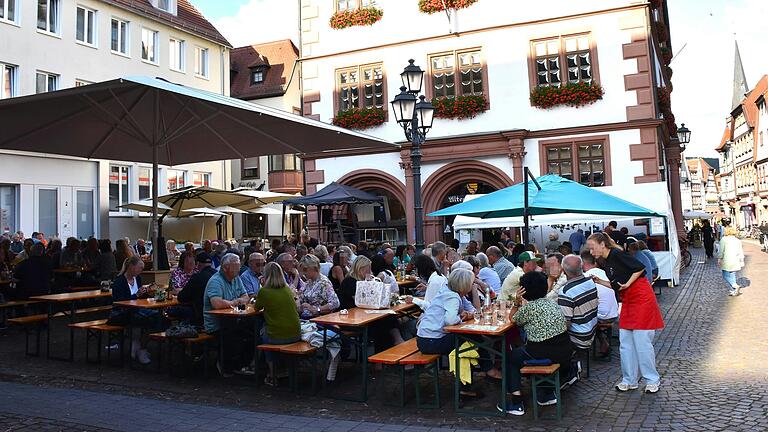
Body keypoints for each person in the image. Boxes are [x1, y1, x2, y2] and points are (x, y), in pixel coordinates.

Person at [587, 232, 664, 393]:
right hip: (629, 299)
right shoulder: (607, 260)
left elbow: (639, 268)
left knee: (642, 342)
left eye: (592, 248)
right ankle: (629, 379)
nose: (591, 252)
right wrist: (600, 281)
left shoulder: (616, 254)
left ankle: (652, 379)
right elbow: (618, 284)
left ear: (602, 244)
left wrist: (628, 283)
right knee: (626, 341)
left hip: (641, 298)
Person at [499, 271, 572, 416]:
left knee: (510, 358)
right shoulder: (552, 304)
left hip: (543, 352)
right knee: (523, 349)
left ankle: (516, 401)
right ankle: (546, 393)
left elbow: (512, 319)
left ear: (524, 291)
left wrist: (516, 302)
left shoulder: (529, 308)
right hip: (564, 351)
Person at [416, 268, 481, 399]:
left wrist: (469, 314)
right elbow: (450, 321)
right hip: (430, 341)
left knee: (471, 340)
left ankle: (469, 382)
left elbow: (473, 310)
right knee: (471, 340)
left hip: (426, 338)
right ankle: (469, 383)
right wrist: (463, 317)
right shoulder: (452, 296)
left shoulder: (451, 292)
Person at [339, 256, 404, 352]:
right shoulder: (349, 281)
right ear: (360, 269)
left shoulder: (362, 281)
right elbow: (362, 300)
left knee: (388, 317)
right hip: (351, 319)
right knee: (381, 325)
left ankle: (394, 346)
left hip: (363, 315)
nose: (370, 270)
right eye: (368, 268)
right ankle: (385, 355)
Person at [203, 253, 252, 377]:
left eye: (239, 266)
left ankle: (240, 364)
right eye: (235, 266)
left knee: (252, 332)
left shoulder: (236, 278)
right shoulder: (215, 281)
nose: (239, 269)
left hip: (233, 319)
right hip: (216, 324)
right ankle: (226, 366)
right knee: (233, 335)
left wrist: (237, 301)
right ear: (225, 268)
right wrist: (235, 302)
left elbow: (245, 296)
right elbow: (216, 303)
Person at [254, 261, 301, 385]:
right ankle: (283, 368)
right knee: (270, 329)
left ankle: (271, 372)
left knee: (262, 332)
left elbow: (256, 308)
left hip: (278, 336)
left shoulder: (264, 291)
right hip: (296, 333)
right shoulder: (287, 289)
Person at [111, 255, 163, 365]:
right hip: (122, 312)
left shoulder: (137, 279)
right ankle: (140, 346)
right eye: (140, 268)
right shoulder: (119, 281)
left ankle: (140, 344)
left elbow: (139, 298)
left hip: (137, 310)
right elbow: (120, 301)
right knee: (150, 318)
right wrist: (136, 295)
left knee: (159, 317)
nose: (141, 270)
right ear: (131, 266)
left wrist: (146, 293)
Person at [558, 254, 599, 386]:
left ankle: (567, 372)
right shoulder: (590, 281)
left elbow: (566, 324)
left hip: (580, 337)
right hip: (592, 329)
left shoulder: (566, 291)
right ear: (582, 267)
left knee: (548, 341)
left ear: (563, 271)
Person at [581, 250, 618, 357]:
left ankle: (581, 348)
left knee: (579, 317)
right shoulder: (603, 272)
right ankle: (602, 341)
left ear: (583, 263)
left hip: (603, 315)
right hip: (613, 312)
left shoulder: (587, 276)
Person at [177, 252, 216, 327]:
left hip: (201, 318)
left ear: (198, 264)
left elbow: (181, 297)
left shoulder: (197, 277)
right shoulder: (218, 275)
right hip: (217, 316)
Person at [297, 254, 339, 319]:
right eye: (302, 270)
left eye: (305, 270)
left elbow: (335, 303)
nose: (303, 273)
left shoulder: (324, 283)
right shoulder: (309, 282)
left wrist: (316, 309)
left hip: (320, 320)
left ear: (314, 268)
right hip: (307, 319)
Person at [717, 226, 745, 296]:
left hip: (727, 260)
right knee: (732, 275)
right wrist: (741, 259)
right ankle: (733, 291)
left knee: (725, 275)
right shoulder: (737, 240)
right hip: (735, 260)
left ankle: (734, 285)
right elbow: (740, 251)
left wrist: (719, 258)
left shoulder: (724, 239)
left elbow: (721, 251)